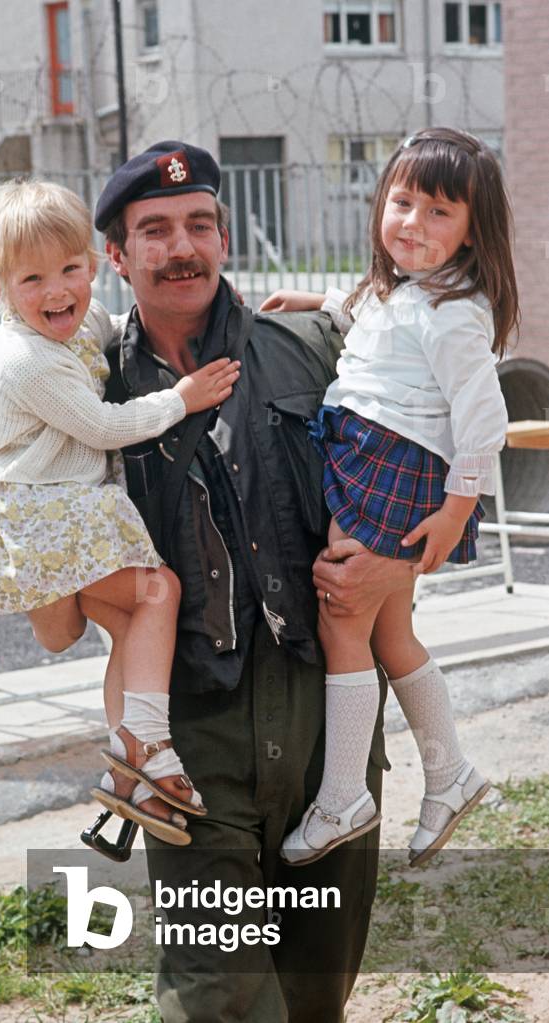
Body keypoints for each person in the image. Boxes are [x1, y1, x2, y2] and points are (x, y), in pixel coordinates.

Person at [96, 139, 416, 1023]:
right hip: (193, 738)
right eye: (153, 230)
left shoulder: (312, 351)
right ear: (116, 257)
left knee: (318, 993)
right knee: (222, 995)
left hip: (327, 725)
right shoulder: (88, 389)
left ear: (225, 237)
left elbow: (438, 440)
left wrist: (396, 560)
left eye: (199, 223)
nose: (181, 246)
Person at [0, 178, 242, 846]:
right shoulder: (25, 358)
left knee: (127, 622)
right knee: (158, 590)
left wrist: (221, 309)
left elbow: (114, 322)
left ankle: (127, 780)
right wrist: (183, 397)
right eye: (32, 280)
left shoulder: (76, 323)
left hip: (64, 504)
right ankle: (150, 746)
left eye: (70, 270)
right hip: (38, 513)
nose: (58, 292)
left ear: (89, 260)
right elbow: (106, 425)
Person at [261, 128, 518, 869]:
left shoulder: (454, 313)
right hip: (373, 454)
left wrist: (457, 510)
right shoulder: (403, 293)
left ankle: (343, 793)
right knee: (388, 633)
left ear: (474, 232)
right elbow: (377, 329)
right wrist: (322, 301)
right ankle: (449, 772)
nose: (412, 222)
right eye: (401, 202)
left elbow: (484, 421)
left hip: (392, 466)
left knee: (343, 613)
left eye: (439, 211)